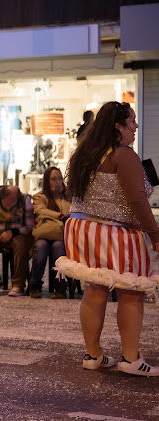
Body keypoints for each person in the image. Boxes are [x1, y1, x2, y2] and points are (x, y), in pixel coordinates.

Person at [56, 101, 159, 376]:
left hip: (83, 229)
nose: (136, 127)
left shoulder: (87, 153)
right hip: (115, 231)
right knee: (131, 291)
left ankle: (94, 354)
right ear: (118, 127)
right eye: (132, 122)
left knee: (95, 289)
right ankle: (130, 359)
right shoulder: (123, 155)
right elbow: (137, 199)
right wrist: (155, 234)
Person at [29, 166, 70, 299]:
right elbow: (40, 210)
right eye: (53, 179)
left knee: (58, 247)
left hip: (61, 235)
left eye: (59, 178)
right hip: (44, 234)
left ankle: (60, 287)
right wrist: (59, 216)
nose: (57, 182)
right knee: (41, 246)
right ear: (47, 181)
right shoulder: (40, 197)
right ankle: (35, 285)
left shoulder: (67, 197)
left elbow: (71, 212)